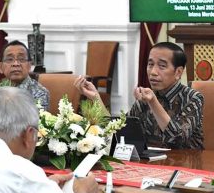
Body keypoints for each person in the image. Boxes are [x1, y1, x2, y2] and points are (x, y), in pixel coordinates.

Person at [75, 42, 204, 149]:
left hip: (186, 164)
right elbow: (117, 131)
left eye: (162, 66)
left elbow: (176, 138)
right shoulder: (145, 98)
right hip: (150, 164)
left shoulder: (193, 98)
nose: (153, 72)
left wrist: (153, 102)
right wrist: (95, 98)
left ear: (178, 72)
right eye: (150, 64)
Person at [0, 40, 50, 110]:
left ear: (29, 66)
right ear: (1, 67)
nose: (16, 64)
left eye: (21, 59)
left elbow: (35, 120)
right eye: (10, 59)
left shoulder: (40, 93)